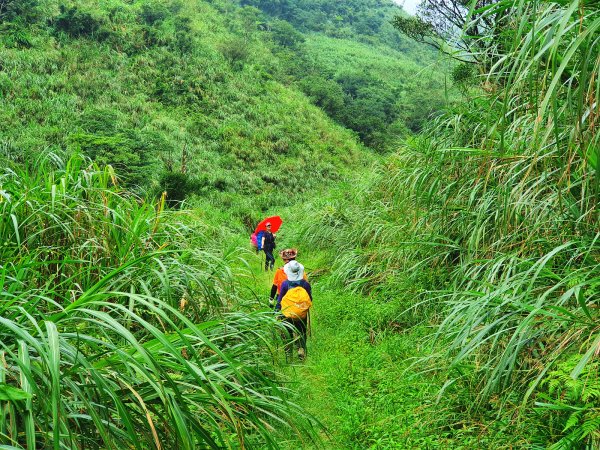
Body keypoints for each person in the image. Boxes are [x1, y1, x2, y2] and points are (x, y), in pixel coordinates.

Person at [276, 260, 312, 360]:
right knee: (301, 331)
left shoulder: (285, 284)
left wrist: (276, 311)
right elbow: (310, 299)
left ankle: (288, 353)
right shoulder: (305, 284)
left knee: (287, 333)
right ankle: (301, 349)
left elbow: (280, 300)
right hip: (301, 314)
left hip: (287, 314)